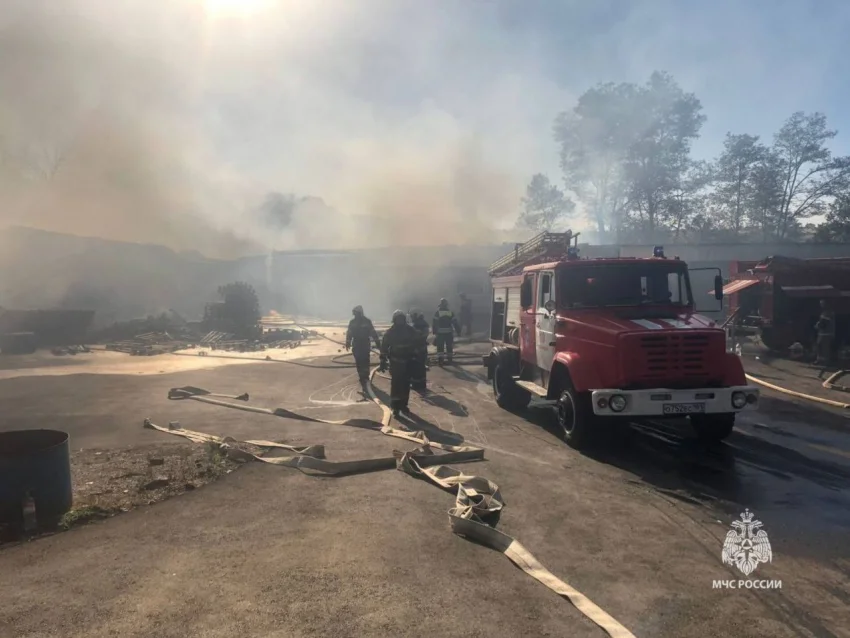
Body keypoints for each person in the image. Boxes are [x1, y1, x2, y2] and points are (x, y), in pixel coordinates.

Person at [379, 309, 419, 416]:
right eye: (398, 319)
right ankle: (395, 407)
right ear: (394, 320)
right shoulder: (390, 332)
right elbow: (384, 346)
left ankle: (403, 405)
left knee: (406, 384)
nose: (400, 321)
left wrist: (418, 357)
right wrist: (382, 360)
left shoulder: (410, 330)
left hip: (408, 361)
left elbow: (417, 343)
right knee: (396, 385)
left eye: (402, 318)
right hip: (396, 362)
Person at [345, 305, 381, 386]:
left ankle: (366, 376)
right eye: (355, 314)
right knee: (358, 361)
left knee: (365, 360)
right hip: (356, 344)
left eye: (356, 313)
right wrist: (348, 342)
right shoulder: (352, 322)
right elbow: (349, 333)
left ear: (360, 313)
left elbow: (373, 332)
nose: (355, 315)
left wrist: (378, 343)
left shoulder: (367, 321)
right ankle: (362, 376)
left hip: (365, 343)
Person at [432, 297, 460, 365]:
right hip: (449, 333)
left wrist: (434, 332)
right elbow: (455, 323)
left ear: (441, 305)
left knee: (440, 347)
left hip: (440, 333)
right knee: (449, 346)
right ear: (446, 305)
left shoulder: (437, 313)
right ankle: (450, 359)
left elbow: (434, 323)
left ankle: (440, 360)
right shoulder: (450, 313)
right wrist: (458, 331)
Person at [409, 309, 430, 393]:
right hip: (423, 347)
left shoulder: (416, 325)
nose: (411, 318)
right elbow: (425, 334)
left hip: (417, 348)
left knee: (415, 366)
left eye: (412, 317)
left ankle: (416, 385)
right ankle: (422, 384)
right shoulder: (424, 323)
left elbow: (414, 336)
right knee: (422, 366)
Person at [815, 299, 836, 365]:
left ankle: (826, 362)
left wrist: (818, 325)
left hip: (827, 333)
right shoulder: (823, 312)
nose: (821, 305)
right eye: (820, 303)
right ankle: (819, 360)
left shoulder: (829, 312)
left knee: (825, 347)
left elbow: (825, 322)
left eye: (822, 303)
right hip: (821, 333)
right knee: (819, 345)